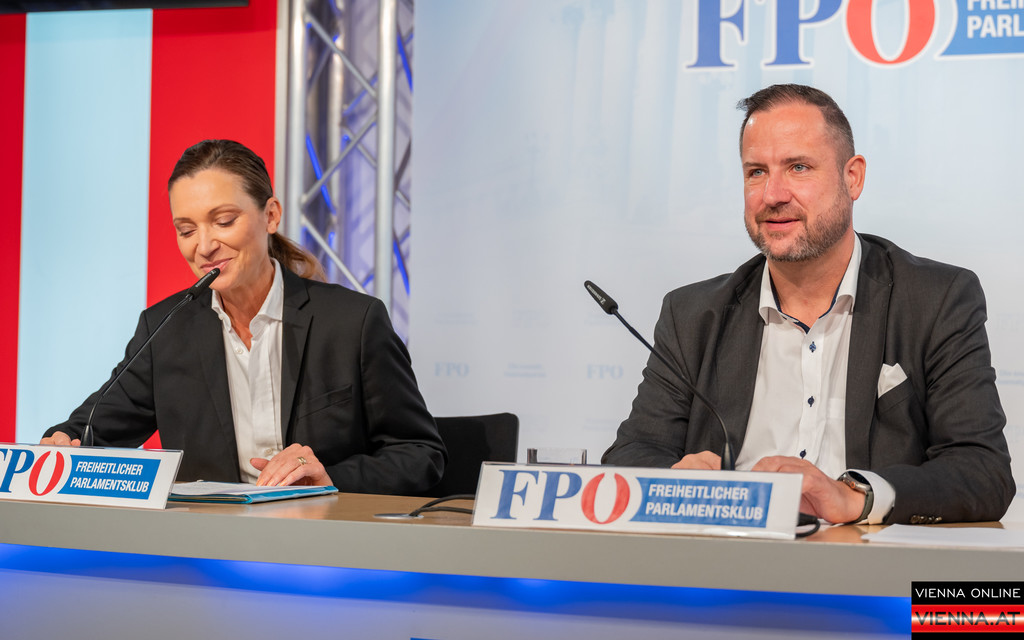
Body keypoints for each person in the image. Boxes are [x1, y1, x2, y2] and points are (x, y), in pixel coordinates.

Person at [602, 84, 1014, 525]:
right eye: (756, 172)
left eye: (798, 167)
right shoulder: (693, 315)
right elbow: (632, 453)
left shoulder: (935, 300)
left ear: (852, 178)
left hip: (867, 560)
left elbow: (982, 470)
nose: (772, 194)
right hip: (725, 558)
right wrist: (672, 479)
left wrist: (855, 497)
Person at [43, 139, 446, 494]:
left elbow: (420, 453)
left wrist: (331, 478)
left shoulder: (352, 323)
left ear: (270, 216)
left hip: (324, 543)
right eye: (186, 230)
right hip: (212, 547)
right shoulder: (165, 329)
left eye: (224, 221)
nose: (204, 246)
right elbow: (88, 432)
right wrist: (61, 443)